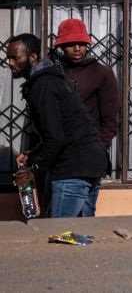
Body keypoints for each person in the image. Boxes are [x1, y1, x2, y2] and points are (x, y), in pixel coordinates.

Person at [6, 34, 108, 218]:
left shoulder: (42, 85)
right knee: (81, 236)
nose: (10, 63)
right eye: (8, 58)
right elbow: (62, 130)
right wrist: (33, 154)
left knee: (59, 235)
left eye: (15, 57)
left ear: (33, 57)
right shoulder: (51, 79)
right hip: (92, 163)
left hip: (73, 168)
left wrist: (33, 171)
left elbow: (57, 138)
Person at [52, 18, 120, 162]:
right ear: (62, 46)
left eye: (82, 44)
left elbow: (110, 119)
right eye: (71, 44)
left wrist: (98, 148)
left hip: (89, 155)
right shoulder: (53, 73)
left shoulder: (101, 73)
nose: (77, 48)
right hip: (57, 156)